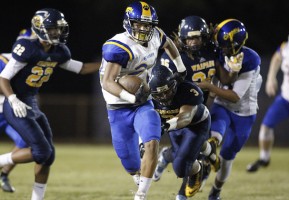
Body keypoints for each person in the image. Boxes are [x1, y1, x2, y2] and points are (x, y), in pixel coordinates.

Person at [0, 8, 100, 200]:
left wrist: (108, 64)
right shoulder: (27, 47)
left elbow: (81, 68)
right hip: (16, 103)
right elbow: (3, 78)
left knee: (49, 156)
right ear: (40, 28)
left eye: (60, 29)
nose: (58, 33)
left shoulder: (59, 52)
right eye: (53, 29)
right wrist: (12, 99)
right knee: (41, 151)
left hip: (32, 103)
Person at [99, 1, 186, 199]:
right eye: (138, 24)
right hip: (118, 105)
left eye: (147, 25)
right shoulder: (119, 46)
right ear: (129, 23)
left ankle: (141, 195)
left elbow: (169, 43)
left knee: (152, 140)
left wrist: (180, 67)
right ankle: (137, 175)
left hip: (143, 102)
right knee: (129, 162)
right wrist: (131, 96)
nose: (143, 28)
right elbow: (107, 82)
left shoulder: (156, 36)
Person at [152, 16, 235, 200]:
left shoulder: (212, 50)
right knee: (182, 155)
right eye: (188, 38)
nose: (193, 42)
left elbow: (225, 79)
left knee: (187, 159)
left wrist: (233, 70)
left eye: (197, 37)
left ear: (204, 37)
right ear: (181, 39)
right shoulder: (173, 57)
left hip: (199, 112)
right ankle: (180, 155)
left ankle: (182, 194)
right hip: (177, 112)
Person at [197, 19, 262, 200]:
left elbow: (235, 96)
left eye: (223, 45)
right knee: (213, 138)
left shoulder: (250, 60)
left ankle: (216, 190)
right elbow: (225, 81)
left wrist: (209, 87)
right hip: (222, 105)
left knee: (227, 157)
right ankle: (206, 165)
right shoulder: (219, 52)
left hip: (244, 112)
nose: (220, 48)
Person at [149, 64, 211, 199]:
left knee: (180, 168)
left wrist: (165, 126)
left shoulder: (187, 90)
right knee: (180, 155)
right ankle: (167, 155)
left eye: (168, 90)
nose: (165, 96)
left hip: (195, 125)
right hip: (173, 127)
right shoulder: (147, 97)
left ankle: (197, 170)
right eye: (160, 93)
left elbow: (186, 118)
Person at [247, 26, 289, 172]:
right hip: (286, 98)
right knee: (266, 126)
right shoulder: (286, 48)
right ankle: (264, 158)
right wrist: (271, 78)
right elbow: (277, 57)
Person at [0, 28, 36, 193]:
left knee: (25, 141)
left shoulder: (33, 65)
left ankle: (4, 173)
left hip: (10, 112)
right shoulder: (4, 59)